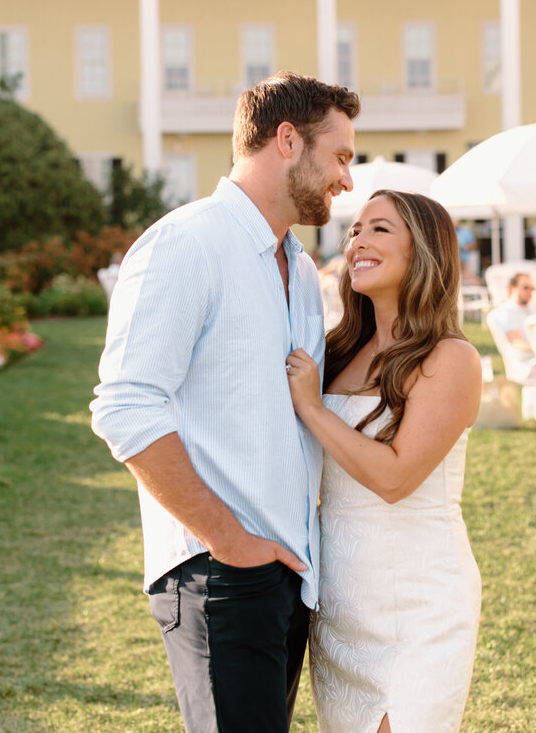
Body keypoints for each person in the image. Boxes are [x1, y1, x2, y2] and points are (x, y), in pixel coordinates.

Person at [89, 72, 360, 733]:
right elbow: (125, 408)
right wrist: (229, 540)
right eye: (343, 156)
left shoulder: (296, 265)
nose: (348, 180)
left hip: (284, 573)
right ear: (288, 141)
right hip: (219, 573)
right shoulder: (186, 245)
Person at [284, 190, 482, 733]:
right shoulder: (338, 351)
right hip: (341, 604)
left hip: (421, 602)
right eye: (355, 230)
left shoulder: (450, 358)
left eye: (380, 229)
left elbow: (395, 478)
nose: (359, 242)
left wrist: (310, 406)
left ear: (424, 251)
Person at [489, 272, 536, 382]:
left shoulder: (533, 309)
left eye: (532, 288)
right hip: (524, 365)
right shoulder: (505, 312)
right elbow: (517, 343)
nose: (530, 291)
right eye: (525, 288)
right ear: (512, 289)